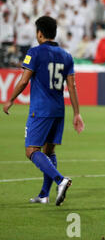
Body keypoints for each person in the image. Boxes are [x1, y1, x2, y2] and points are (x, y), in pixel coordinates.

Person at [2, 16, 85, 206]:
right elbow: (72, 87)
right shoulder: (66, 56)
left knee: (31, 150)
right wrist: (77, 113)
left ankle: (60, 180)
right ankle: (44, 195)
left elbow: (24, 80)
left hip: (40, 110)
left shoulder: (34, 52)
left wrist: (11, 99)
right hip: (58, 110)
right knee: (49, 152)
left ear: (39, 33)